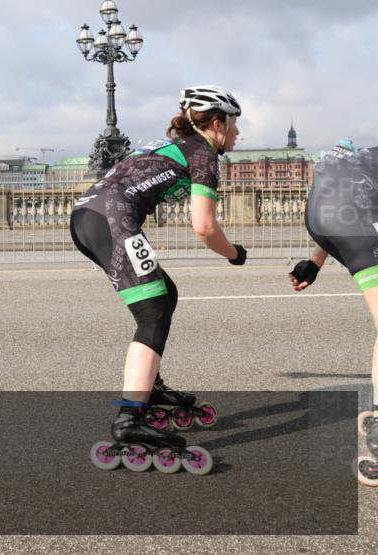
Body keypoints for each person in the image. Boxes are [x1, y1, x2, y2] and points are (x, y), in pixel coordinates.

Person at [72, 86, 247, 471]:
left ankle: (149, 387)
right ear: (217, 124)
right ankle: (130, 417)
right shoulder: (203, 154)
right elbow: (204, 227)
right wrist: (234, 254)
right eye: (235, 123)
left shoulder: (178, 145)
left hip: (92, 216)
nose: (238, 133)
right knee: (152, 313)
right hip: (111, 220)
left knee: (164, 295)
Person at [289, 140, 378, 486]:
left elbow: (343, 198)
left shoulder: (364, 155)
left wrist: (313, 263)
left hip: (320, 217)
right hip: (354, 220)